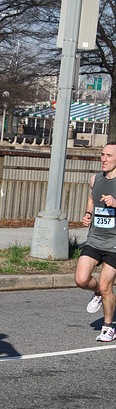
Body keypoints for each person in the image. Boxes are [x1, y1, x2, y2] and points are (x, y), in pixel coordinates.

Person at [75, 141, 116, 342]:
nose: (103, 159)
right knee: (81, 279)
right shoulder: (95, 179)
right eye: (102, 154)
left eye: (108, 155)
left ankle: (108, 327)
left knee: (107, 284)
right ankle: (97, 292)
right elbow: (92, 198)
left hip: (115, 243)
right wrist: (88, 213)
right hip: (95, 238)